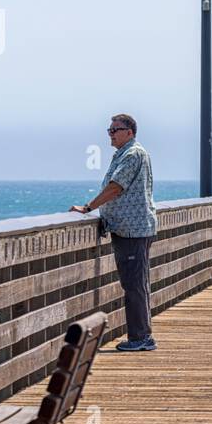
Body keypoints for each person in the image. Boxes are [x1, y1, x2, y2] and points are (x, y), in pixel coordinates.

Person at [70, 114, 156, 351]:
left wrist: (89, 207)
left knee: (134, 285)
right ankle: (142, 336)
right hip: (130, 228)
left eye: (115, 130)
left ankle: (141, 338)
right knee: (136, 284)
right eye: (109, 130)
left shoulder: (132, 154)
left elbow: (116, 187)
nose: (111, 133)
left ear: (129, 132)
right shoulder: (128, 153)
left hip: (132, 230)